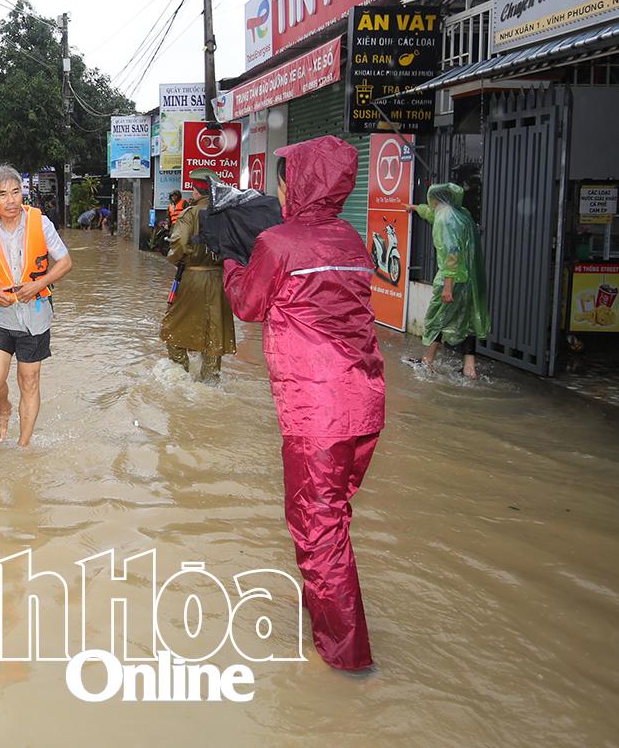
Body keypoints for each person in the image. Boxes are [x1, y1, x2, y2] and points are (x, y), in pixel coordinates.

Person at [221, 136, 386, 673]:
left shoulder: (279, 243)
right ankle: (326, 615)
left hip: (317, 412)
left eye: (286, 176)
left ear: (304, 182)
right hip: (364, 405)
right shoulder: (353, 242)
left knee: (318, 529)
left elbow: (248, 305)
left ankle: (346, 658)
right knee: (332, 519)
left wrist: (228, 262)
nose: (279, 187)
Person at [0, 165, 72, 447]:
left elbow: (65, 262)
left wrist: (39, 284)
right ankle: (4, 407)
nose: (11, 200)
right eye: (3, 194)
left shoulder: (41, 223)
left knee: (30, 381)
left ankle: (23, 446)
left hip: (35, 314)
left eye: (16, 192)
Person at [159, 168, 235, 382]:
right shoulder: (226, 215)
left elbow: (179, 244)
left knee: (172, 328)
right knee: (215, 329)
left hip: (192, 277)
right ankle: (211, 380)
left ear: (196, 191)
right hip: (221, 280)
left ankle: (180, 376)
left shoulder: (189, 214)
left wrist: (176, 261)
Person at [409, 182, 491, 378]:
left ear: (435, 198)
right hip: (470, 280)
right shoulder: (461, 214)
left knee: (437, 318)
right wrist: (414, 208)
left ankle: (427, 361)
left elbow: (451, 252)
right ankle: (469, 368)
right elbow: (430, 213)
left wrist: (447, 286)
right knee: (469, 319)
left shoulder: (445, 219)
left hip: (452, 279)